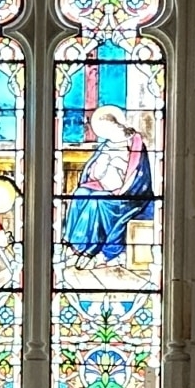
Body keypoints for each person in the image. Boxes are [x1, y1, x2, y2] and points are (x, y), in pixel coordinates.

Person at [60, 107, 153, 268]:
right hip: (104, 186)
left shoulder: (135, 143)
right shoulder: (107, 145)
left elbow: (139, 176)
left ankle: (91, 250)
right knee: (81, 193)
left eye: (106, 128)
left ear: (116, 124)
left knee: (97, 200)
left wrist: (119, 181)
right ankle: (72, 246)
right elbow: (93, 171)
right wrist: (100, 167)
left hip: (129, 196)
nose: (104, 133)